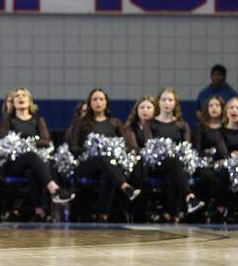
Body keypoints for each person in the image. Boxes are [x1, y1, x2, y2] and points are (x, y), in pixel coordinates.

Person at [0, 88, 75, 221]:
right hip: (13, 164)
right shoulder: (7, 121)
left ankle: (39, 212)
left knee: (32, 170)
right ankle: (54, 189)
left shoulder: (38, 120)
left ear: (30, 101)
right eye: (17, 96)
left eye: (24, 95)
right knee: (31, 156)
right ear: (13, 102)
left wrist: (29, 143)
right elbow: (3, 142)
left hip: (32, 164)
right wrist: (26, 145)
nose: (20, 97)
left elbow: (47, 141)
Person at [69, 88, 141, 220]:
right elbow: (73, 147)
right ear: (90, 103)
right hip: (87, 165)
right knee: (102, 159)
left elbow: (126, 145)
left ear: (106, 102)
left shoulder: (115, 122)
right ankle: (125, 187)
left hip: (109, 165)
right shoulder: (81, 122)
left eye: (101, 99)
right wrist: (91, 149)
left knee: (107, 168)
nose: (98, 102)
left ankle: (103, 215)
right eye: (95, 99)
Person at [135, 89, 203, 221]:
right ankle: (189, 197)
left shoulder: (182, 125)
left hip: (176, 165)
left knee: (174, 169)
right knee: (174, 163)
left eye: (170, 100)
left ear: (175, 103)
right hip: (156, 165)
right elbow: (150, 147)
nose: (167, 103)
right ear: (158, 103)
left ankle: (171, 215)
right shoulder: (150, 124)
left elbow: (187, 149)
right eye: (164, 100)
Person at [192, 95, 224, 219]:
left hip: (222, 162)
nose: (214, 108)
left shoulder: (225, 127)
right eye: (211, 105)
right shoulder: (200, 127)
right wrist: (210, 156)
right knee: (207, 176)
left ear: (222, 108)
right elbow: (197, 150)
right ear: (206, 109)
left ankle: (221, 209)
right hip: (204, 163)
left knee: (222, 174)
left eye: (217, 105)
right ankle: (205, 208)